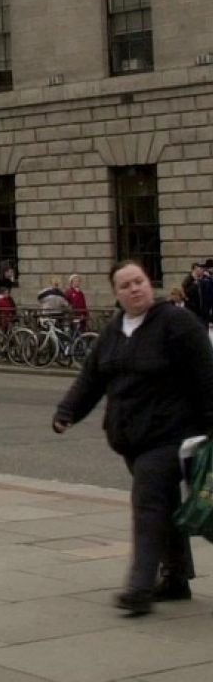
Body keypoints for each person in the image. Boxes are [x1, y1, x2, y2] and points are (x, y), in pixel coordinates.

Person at [53, 260, 213, 615]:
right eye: (125, 285)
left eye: (139, 281)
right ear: (116, 294)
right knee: (165, 505)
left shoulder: (176, 323)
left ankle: (140, 587)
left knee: (148, 502)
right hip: (131, 438)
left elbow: (206, 373)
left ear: (149, 283)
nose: (134, 289)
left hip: (172, 434)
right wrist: (67, 413)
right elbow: (91, 379)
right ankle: (174, 578)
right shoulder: (114, 331)